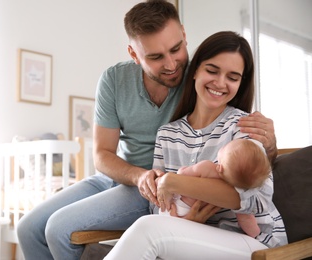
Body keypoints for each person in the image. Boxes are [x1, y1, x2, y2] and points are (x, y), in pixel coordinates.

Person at [17, 2, 278, 259]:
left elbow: (242, 156)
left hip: (158, 187)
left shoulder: (202, 77)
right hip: (125, 176)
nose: (172, 64)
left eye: (176, 49)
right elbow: (102, 154)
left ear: (185, 36)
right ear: (134, 54)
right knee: (28, 228)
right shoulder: (116, 81)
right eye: (156, 57)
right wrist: (139, 177)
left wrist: (269, 144)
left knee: (59, 228)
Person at [104, 31, 287, 260]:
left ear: (241, 83)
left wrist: (173, 182)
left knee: (147, 230)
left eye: (233, 77)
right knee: (150, 226)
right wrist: (184, 223)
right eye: (212, 70)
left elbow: (254, 200)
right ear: (195, 71)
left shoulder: (246, 127)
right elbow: (158, 203)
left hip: (255, 242)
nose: (220, 83)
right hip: (194, 236)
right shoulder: (167, 134)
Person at [160, 138, 271, 238]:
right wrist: (256, 233)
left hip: (176, 205)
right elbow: (246, 220)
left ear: (221, 167)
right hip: (188, 216)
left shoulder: (207, 167)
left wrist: (181, 170)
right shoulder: (235, 191)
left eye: (225, 148)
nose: (223, 146)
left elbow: (181, 175)